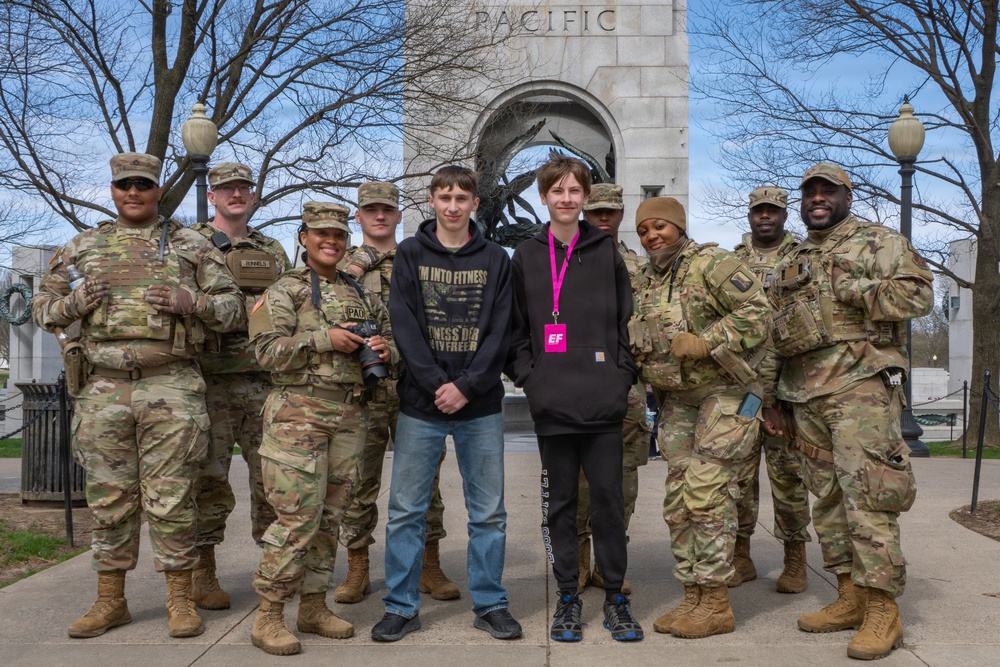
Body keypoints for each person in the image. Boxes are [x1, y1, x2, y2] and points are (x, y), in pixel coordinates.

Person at [31, 152, 245, 639]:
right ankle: (111, 601)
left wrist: (195, 302)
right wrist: (72, 304)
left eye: (143, 185)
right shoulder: (84, 246)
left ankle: (180, 600)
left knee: (173, 498)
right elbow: (42, 306)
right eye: (124, 184)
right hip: (103, 385)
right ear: (112, 189)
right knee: (109, 498)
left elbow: (235, 309)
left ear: (157, 191)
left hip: (170, 382)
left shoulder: (192, 245)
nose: (133, 192)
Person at [768, 163, 932, 660]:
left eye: (828, 191)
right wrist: (772, 394)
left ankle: (884, 609)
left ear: (846, 195)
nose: (818, 198)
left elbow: (919, 294)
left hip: (858, 388)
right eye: (810, 192)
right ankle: (850, 595)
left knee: (869, 498)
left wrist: (856, 289)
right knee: (829, 501)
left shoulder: (878, 241)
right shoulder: (793, 254)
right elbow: (778, 325)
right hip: (803, 395)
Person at [372, 166, 521, 643]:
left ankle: (490, 603)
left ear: (475, 203)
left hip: (480, 406)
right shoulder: (410, 254)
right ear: (431, 201)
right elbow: (405, 324)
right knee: (406, 512)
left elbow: (502, 329)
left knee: (488, 513)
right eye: (444, 196)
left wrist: (469, 385)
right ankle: (400, 606)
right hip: (421, 404)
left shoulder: (497, 258)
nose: (453, 205)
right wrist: (439, 383)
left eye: (462, 197)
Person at [248, 201, 397, 656]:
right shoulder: (284, 290)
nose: (330, 242)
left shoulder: (359, 291)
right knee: (296, 518)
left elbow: (391, 338)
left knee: (331, 519)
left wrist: (385, 348)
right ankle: (268, 615)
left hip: (351, 414)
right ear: (304, 238)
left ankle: (312, 607)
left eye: (337, 236)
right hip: (299, 415)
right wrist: (322, 339)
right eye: (320, 235)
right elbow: (264, 352)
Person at [508, 156, 643, 643]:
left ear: (586, 197)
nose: (566, 199)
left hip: (604, 403)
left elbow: (627, 322)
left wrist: (621, 376)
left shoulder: (605, 250)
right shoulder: (525, 254)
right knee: (561, 505)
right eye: (557, 190)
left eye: (575, 191)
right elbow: (514, 328)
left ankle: (615, 600)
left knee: (608, 504)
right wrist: (531, 377)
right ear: (544, 197)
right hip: (553, 405)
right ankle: (567, 596)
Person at [628, 196, 769, 639]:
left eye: (661, 227)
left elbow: (760, 313)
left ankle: (716, 602)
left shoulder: (713, 263)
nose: (653, 235)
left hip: (725, 394)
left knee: (707, 496)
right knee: (678, 501)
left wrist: (709, 340)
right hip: (679, 401)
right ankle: (692, 595)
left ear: (679, 227)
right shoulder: (646, 280)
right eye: (645, 230)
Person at [335, 181, 458, 604]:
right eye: (371, 210)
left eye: (387, 209)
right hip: (361, 391)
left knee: (426, 483)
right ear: (359, 215)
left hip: (413, 388)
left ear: (398, 212)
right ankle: (357, 569)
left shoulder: (418, 256)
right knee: (357, 482)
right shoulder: (339, 263)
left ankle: (429, 565)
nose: (380, 216)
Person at [189, 162, 290, 610]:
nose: (235, 194)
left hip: (265, 383)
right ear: (211, 196)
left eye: (243, 188)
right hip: (210, 382)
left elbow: (285, 306)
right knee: (208, 480)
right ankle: (204, 572)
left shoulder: (272, 249)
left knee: (272, 481)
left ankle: (274, 570)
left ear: (252, 196)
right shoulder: (188, 244)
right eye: (226, 188)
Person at [730, 186, 811, 593]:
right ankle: (740, 557)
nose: (765, 217)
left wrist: (779, 396)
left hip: (790, 389)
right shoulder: (732, 261)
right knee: (740, 477)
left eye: (773, 211)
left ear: (784, 215)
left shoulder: (801, 256)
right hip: (744, 389)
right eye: (759, 210)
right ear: (750, 215)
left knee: (789, 477)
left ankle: (794, 560)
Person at [575, 183, 651, 595]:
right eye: (596, 212)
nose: (603, 219)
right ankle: (578, 565)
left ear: (621, 215)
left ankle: (609, 566)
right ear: (585, 214)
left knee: (621, 488)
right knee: (577, 486)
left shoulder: (641, 269)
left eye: (611, 212)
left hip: (627, 393)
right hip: (578, 390)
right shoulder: (567, 261)